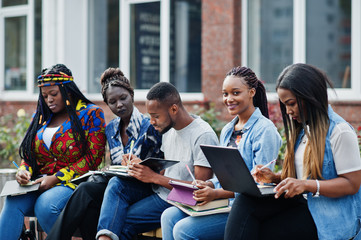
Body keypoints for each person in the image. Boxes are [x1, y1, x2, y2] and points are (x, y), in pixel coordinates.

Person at [225, 63, 361, 240]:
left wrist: (307, 185)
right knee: (247, 202)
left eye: (291, 104)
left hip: (328, 218)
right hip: (304, 208)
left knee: (261, 228)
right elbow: (303, 175)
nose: (288, 112)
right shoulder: (303, 130)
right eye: (284, 105)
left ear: (310, 96)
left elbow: (352, 184)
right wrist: (274, 177)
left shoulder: (339, 131)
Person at [161, 66, 282, 240]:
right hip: (223, 203)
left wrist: (215, 193)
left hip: (246, 208)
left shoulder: (265, 130)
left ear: (252, 92)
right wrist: (209, 185)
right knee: (169, 216)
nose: (229, 99)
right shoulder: (227, 130)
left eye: (235, 93)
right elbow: (224, 177)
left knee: (183, 230)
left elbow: (259, 186)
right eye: (225, 94)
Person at [46, 67, 163, 240]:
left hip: (144, 187)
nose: (119, 104)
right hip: (118, 184)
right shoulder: (111, 129)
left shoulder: (149, 126)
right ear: (107, 104)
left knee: (92, 189)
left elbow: (161, 163)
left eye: (123, 98)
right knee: (89, 202)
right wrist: (110, 169)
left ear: (131, 95)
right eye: (113, 101)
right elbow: (117, 166)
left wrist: (139, 164)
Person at [96, 82, 219, 240]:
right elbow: (165, 169)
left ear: (174, 109)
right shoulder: (168, 130)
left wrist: (154, 177)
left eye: (156, 116)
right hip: (161, 192)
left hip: (182, 200)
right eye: (150, 116)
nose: (152, 122)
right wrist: (141, 165)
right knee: (116, 184)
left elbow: (199, 189)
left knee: (123, 222)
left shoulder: (202, 135)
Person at [0, 64, 106, 239]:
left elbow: (92, 159)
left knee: (45, 204)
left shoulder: (91, 114)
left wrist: (56, 178)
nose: (49, 100)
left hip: (74, 183)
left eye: (53, 94)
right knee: (13, 201)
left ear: (68, 90)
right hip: (39, 182)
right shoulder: (41, 116)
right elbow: (29, 155)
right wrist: (24, 171)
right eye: (44, 95)